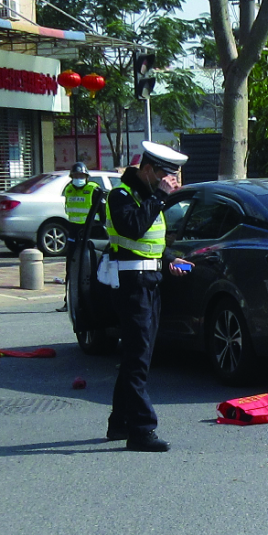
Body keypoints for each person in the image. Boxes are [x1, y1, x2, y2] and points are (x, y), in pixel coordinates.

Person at [105, 141, 192, 452]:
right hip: (131, 284)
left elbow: (151, 245)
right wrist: (159, 198)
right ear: (147, 170)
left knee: (136, 357)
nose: (170, 182)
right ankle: (141, 430)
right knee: (138, 359)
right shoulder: (121, 196)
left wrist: (169, 260)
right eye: (165, 175)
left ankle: (120, 422)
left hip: (150, 281)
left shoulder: (147, 198)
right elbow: (133, 228)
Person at [57, 162, 100, 313]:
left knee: (90, 267)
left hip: (90, 231)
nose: (78, 178)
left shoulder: (93, 189)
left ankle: (91, 301)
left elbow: (102, 213)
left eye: (81, 175)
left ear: (86, 177)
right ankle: (68, 301)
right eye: (76, 175)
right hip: (74, 231)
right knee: (71, 267)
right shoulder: (68, 189)